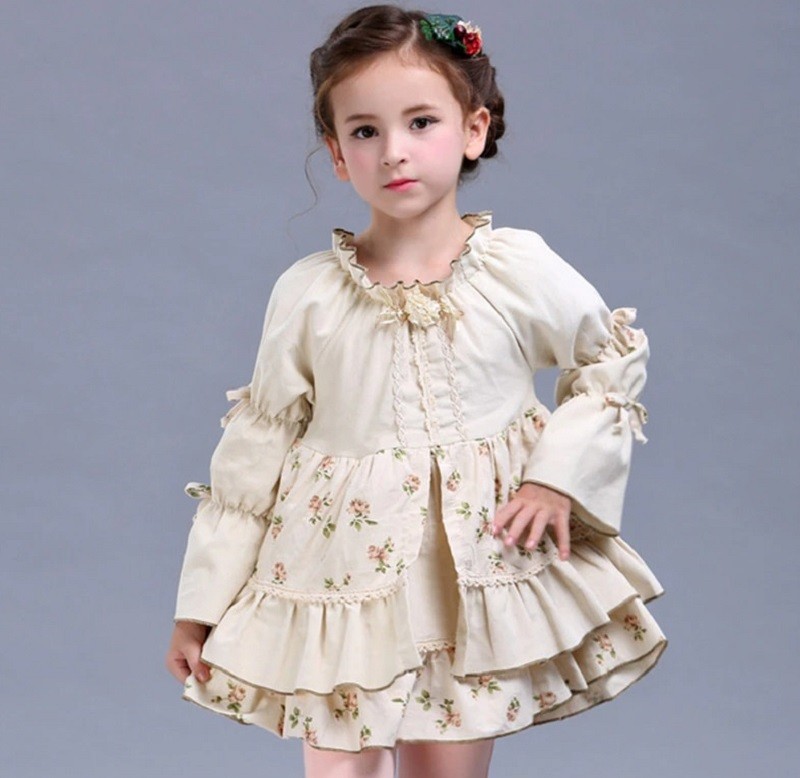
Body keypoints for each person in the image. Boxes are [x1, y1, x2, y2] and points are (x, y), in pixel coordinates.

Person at [164, 5, 668, 777]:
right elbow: (253, 454)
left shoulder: (517, 271)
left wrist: (555, 479)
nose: (394, 150)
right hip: (338, 575)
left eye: (421, 122)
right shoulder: (308, 294)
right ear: (338, 155)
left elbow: (609, 363)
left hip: (471, 575)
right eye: (365, 131)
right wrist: (200, 605)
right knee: (339, 764)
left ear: (473, 129)